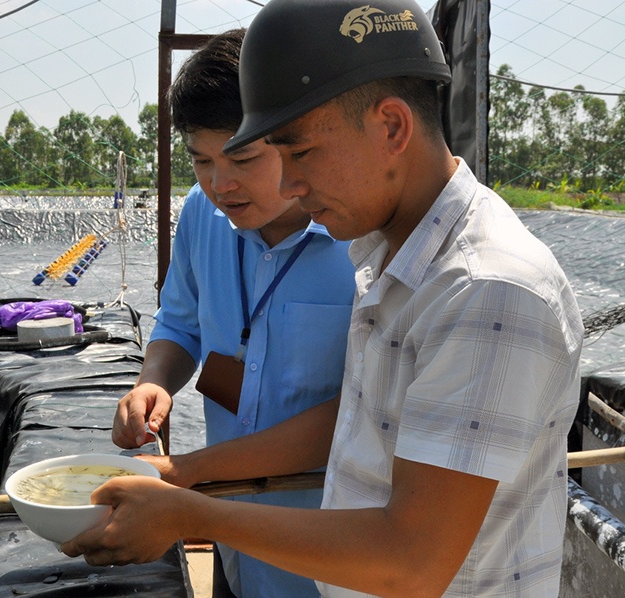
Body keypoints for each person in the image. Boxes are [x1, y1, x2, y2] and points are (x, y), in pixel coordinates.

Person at [65, 1, 584, 596]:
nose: (287, 186)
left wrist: (190, 508)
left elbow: (412, 561)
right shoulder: (386, 255)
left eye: (300, 152)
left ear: (391, 126)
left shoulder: (487, 292)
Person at [109, 29, 356, 598]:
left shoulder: (360, 241)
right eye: (201, 161)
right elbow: (181, 322)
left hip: (326, 546)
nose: (221, 185)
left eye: (243, 158)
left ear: (299, 142)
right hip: (228, 531)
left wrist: (193, 471)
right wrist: (153, 383)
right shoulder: (202, 215)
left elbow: (361, 412)